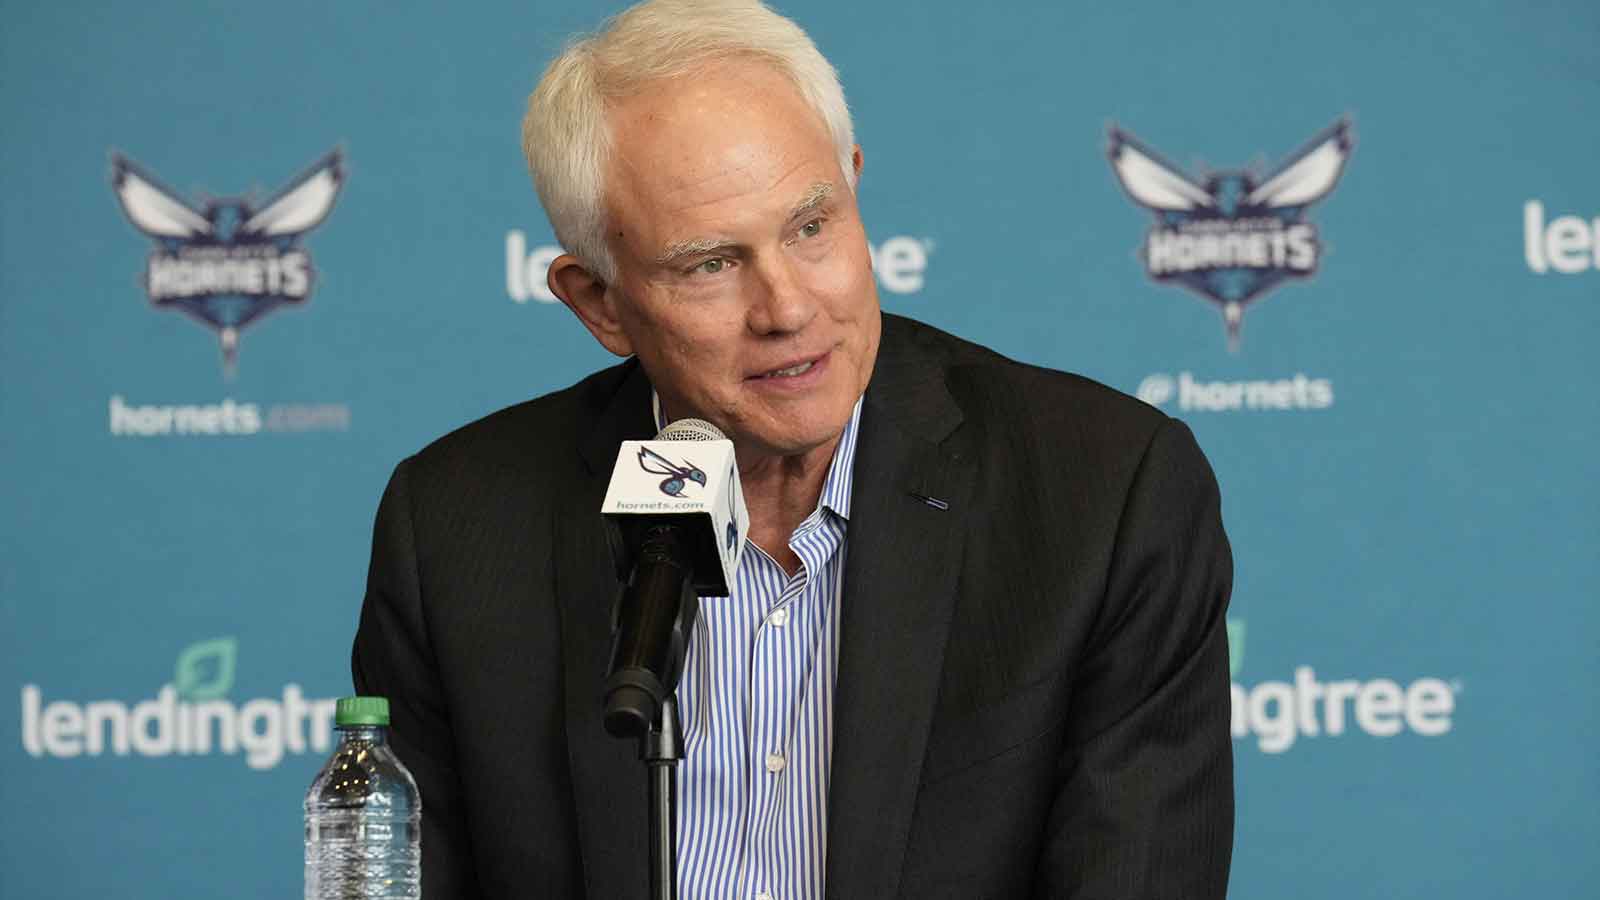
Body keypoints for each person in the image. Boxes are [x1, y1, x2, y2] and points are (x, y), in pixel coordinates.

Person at [352, 1, 1234, 897]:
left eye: (812, 227)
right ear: (601, 304)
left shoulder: (1105, 496)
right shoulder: (456, 529)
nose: (787, 308)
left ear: (854, 187)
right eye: (709, 264)